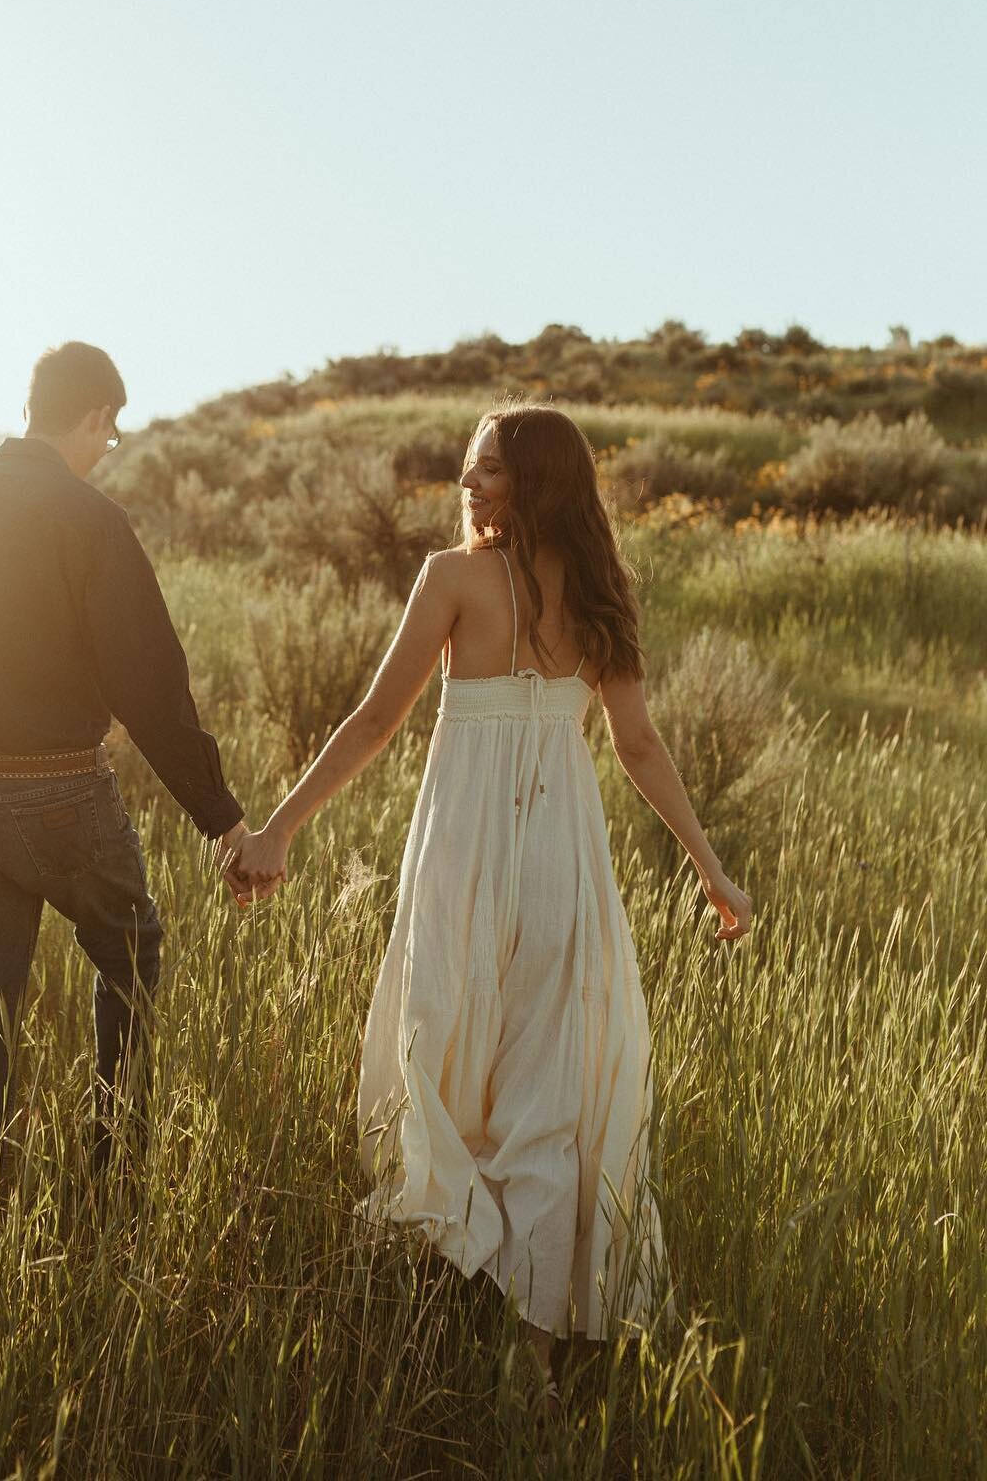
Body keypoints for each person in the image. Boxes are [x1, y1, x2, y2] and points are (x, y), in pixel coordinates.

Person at [230, 402, 754, 1414]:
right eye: (469, 469)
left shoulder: (451, 580)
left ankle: (456, 1301)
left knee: (444, 1060)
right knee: (549, 1096)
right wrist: (710, 868)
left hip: (468, 854)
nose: (470, 486)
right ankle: (527, 1355)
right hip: (561, 857)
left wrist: (280, 831)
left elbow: (376, 720)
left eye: (492, 474)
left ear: (540, 484)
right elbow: (635, 747)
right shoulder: (598, 590)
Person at [0, 341, 248, 1205]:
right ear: (94, 418)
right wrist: (221, 816)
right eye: (108, 436)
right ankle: (113, 1183)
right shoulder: (87, 519)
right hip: (66, 792)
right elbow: (150, 686)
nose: (104, 451)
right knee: (130, 961)